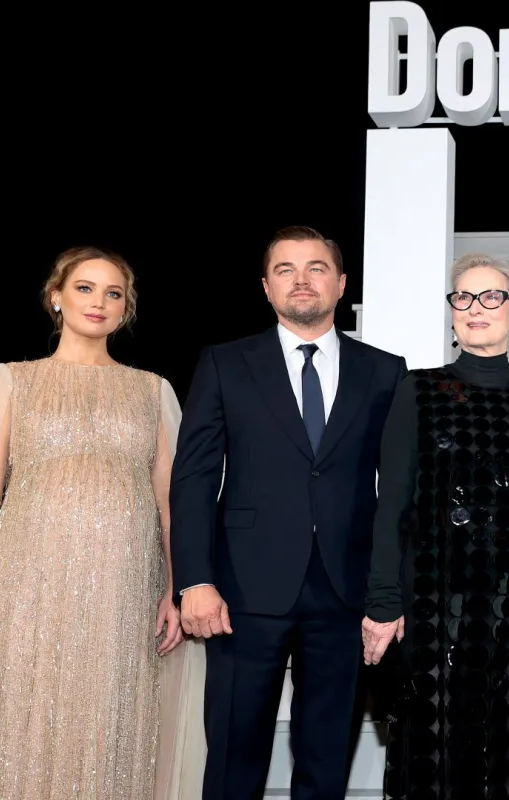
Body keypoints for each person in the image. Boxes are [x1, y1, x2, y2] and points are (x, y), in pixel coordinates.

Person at [0, 246, 206, 800]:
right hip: (24, 589)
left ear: (125, 309)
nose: (99, 302)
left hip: (122, 595)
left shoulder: (153, 391)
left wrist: (176, 587)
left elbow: (172, 502)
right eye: (84, 288)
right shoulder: (12, 381)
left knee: (108, 731)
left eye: (113, 293)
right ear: (56, 297)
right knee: (19, 725)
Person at [169, 225, 407, 800]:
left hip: (345, 592)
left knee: (327, 759)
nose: (302, 280)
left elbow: (398, 491)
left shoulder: (385, 370)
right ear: (266, 287)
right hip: (241, 592)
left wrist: (388, 592)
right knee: (233, 756)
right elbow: (194, 478)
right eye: (286, 270)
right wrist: (194, 580)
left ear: (341, 283)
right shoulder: (225, 363)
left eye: (316, 268)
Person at [361, 253, 509, 799]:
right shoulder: (418, 390)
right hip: (438, 606)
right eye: (463, 297)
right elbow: (393, 504)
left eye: (491, 296)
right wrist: (383, 602)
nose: (475, 307)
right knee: (438, 753)